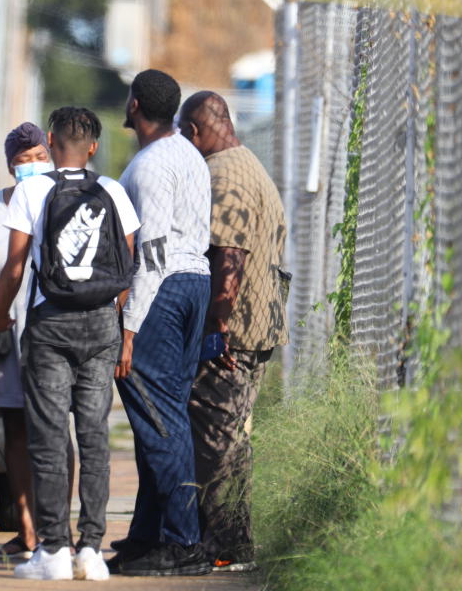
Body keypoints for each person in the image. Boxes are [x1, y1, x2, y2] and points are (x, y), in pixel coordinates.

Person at [0, 107, 139, 581]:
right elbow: (127, 265)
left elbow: (15, 264)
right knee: (94, 436)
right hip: (100, 324)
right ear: (93, 146)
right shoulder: (112, 190)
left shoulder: (31, 190)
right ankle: (91, 550)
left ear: (51, 141)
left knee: (49, 437)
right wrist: (115, 320)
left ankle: (52, 551)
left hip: (49, 324)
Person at [178, 91, 288, 573]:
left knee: (216, 439)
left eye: (186, 132)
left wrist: (214, 327)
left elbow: (229, 257)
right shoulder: (249, 165)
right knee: (233, 437)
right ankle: (234, 543)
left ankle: (223, 544)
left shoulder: (226, 174)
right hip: (255, 325)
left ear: (199, 130)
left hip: (234, 333)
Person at [110, 69, 213, 577]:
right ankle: (147, 535)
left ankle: (183, 541)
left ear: (134, 106)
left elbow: (149, 254)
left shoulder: (150, 165)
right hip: (195, 281)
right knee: (164, 414)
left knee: (159, 416)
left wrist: (129, 327)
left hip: (165, 289)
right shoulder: (188, 154)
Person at [0, 122, 52, 562]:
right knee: (15, 426)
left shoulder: (68, 199)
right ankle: (27, 529)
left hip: (53, 331)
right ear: (10, 166)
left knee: (53, 429)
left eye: (38, 157)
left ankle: (54, 526)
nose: (31, 166)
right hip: (8, 332)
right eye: (22, 160)